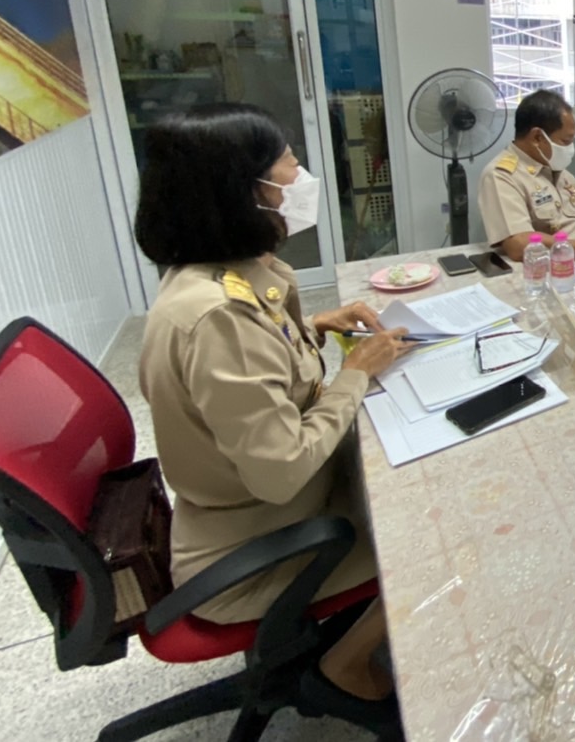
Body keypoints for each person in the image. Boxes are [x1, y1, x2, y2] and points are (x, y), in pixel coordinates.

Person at [136, 104, 408, 720]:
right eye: (287, 163)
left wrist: (314, 326)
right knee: (435, 536)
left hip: (258, 511)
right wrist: (356, 374)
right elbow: (281, 470)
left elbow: (257, 376)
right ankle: (343, 668)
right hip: (261, 543)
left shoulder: (214, 276)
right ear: (246, 191)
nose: (301, 175)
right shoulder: (218, 318)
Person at [479, 89, 575, 261]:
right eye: (565, 141)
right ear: (537, 137)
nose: (571, 149)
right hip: (552, 268)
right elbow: (518, 244)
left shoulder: (560, 173)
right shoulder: (502, 176)